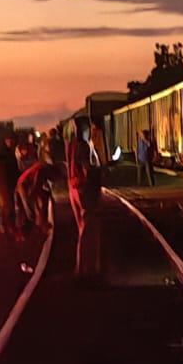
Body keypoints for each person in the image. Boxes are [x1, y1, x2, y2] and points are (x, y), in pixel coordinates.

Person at [67, 115, 104, 281]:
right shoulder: (82, 146)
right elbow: (87, 169)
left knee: (83, 228)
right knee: (89, 229)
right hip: (85, 190)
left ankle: (81, 268)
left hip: (74, 188)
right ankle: (88, 270)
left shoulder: (71, 145)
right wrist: (99, 169)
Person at [15, 155, 54, 236]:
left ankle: (37, 224)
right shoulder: (42, 169)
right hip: (23, 185)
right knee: (28, 209)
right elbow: (35, 187)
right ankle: (38, 225)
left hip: (24, 184)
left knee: (29, 207)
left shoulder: (42, 167)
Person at [0, 134, 19, 238]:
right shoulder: (2, 153)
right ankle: (9, 225)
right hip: (4, 182)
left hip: (10, 181)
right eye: (9, 141)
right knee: (8, 204)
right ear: (6, 141)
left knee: (6, 204)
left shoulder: (9, 152)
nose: (11, 143)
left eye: (12, 141)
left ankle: (3, 224)